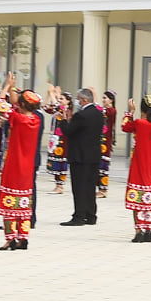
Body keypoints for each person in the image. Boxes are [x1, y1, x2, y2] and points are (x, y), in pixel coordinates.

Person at [0, 79, 42, 250]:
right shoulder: (35, 120)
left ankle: (10, 239)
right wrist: (14, 90)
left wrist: (7, 86)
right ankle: (23, 237)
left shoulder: (16, 118)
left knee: (9, 203)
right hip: (27, 168)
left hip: (13, 165)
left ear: (22, 104)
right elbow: (15, 106)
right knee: (23, 202)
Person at [122, 95, 151, 242]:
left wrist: (130, 112)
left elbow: (125, 126)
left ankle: (138, 231)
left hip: (139, 165)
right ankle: (148, 230)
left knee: (137, 199)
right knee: (148, 198)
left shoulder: (139, 123)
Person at [61, 87, 105, 226]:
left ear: (84, 100)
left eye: (79, 99)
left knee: (79, 186)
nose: (78, 102)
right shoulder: (98, 114)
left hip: (80, 156)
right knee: (90, 186)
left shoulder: (81, 115)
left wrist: (64, 120)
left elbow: (68, 131)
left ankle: (79, 216)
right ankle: (91, 215)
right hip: (93, 155)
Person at [43, 90, 71, 194]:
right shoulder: (57, 111)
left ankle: (60, 186)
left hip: (62, 140)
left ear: (68, 101)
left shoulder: (66, 110)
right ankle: (57, 184)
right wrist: (48, 94)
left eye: (62, 99)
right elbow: (45, 107)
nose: (59, 100)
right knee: (55, 161)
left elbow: (58, 106)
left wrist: (52, 94)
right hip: (55, 139)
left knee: (61, 161)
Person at [98, 91, 117, 199]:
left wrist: (94, 96)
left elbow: (101, 110)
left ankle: (103, 190)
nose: (103, 100)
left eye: (105, 98)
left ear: (111, 100)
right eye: (103, 97)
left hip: (106, 142)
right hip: (100, 141)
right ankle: (99, 188)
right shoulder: (104, 110)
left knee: (103, 166)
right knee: (98, 166)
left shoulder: (112, 111)